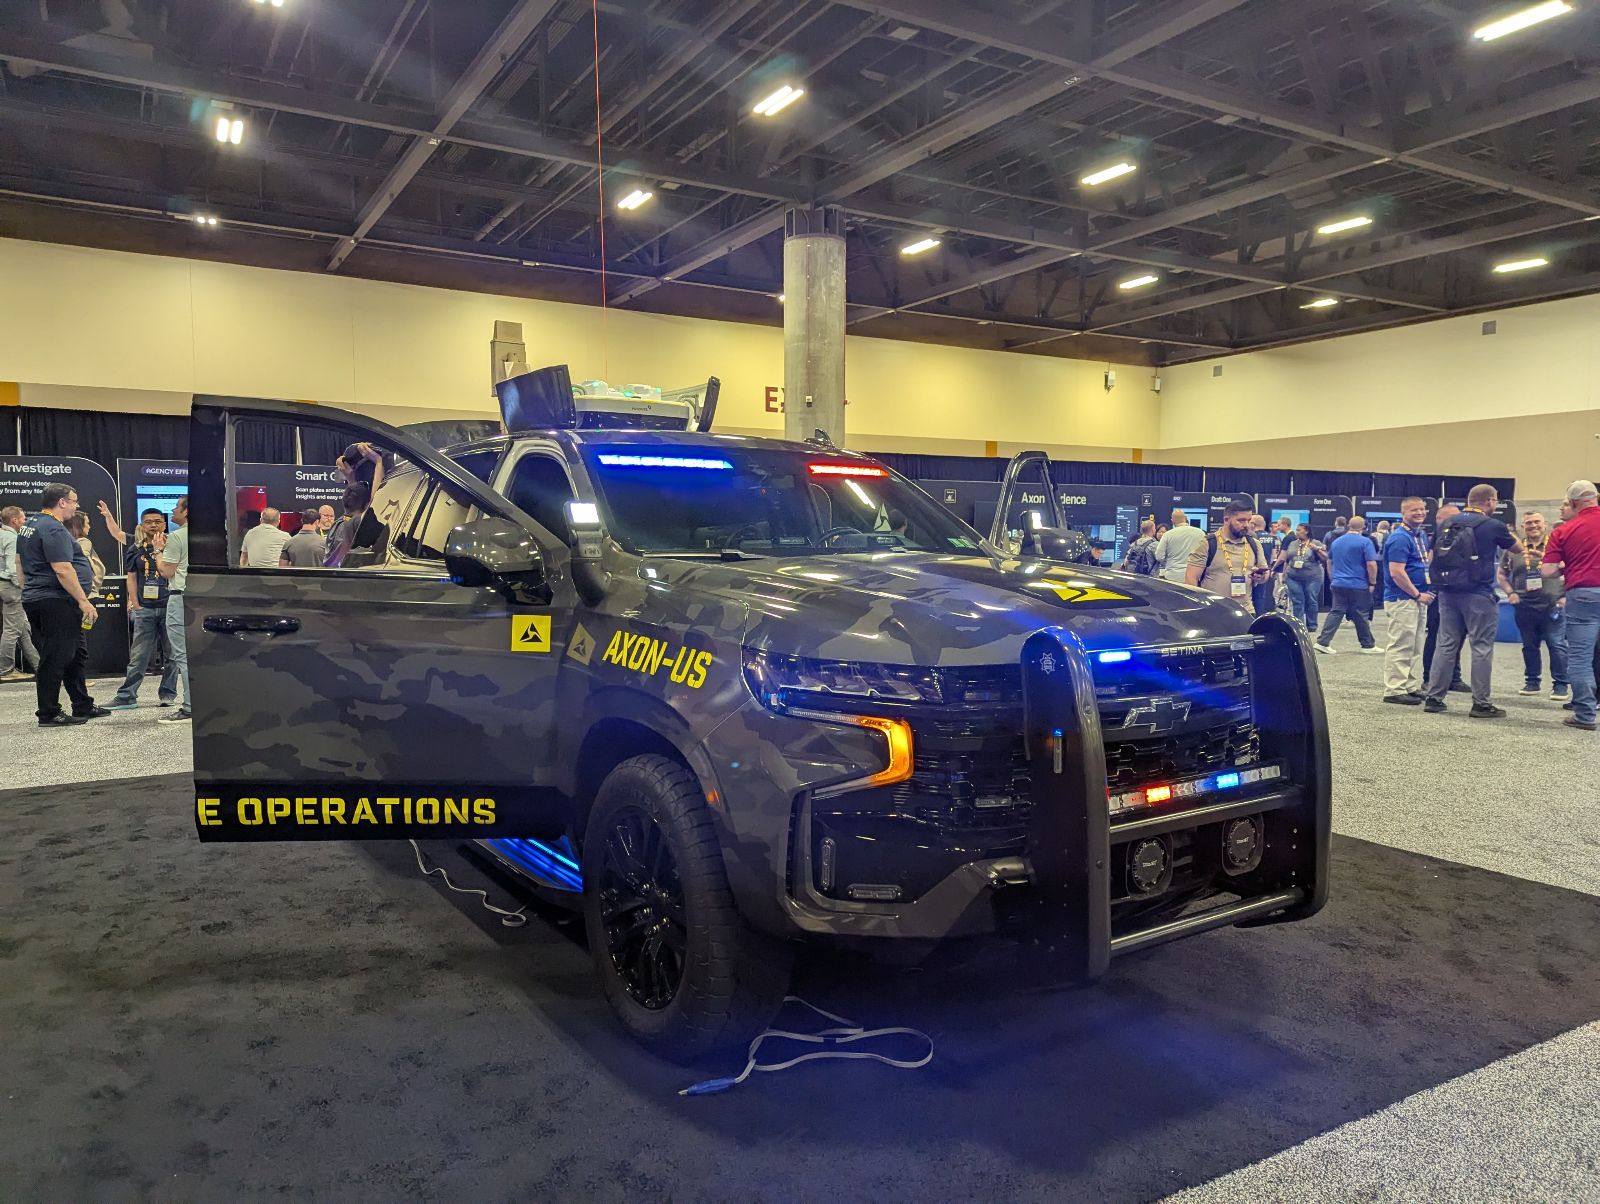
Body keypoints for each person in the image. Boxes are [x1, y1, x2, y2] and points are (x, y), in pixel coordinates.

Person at [1421, 483, 1520, 718]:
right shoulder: (1493, 525)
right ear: (1489, 501)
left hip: (1447, 591)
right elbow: (1516, 547)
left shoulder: (1447, 522)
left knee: (1445, 644)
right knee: (1481, 647)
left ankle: (1434, 698)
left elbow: (1434, 553)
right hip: (1478, 593)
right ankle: (1481, 703)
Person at [17, 483, 107, 726]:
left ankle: (82, 704)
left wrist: (28, 589)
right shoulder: (53, 528)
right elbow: (63, 569)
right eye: (74, 501)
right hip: (56, 601)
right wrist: (83, 600)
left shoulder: (30, 524)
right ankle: (48, 712)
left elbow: (19, 561)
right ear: (62, 502)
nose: (77, 505)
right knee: (56, 656)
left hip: (42, 598)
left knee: (76, 653)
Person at [1541, 480, 1600, 732]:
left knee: (1580, 658)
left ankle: (1585, 715)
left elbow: (1547, 571)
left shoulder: (1563, 530)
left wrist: (1568, 566)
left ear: (1574, 503)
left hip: (1583, 594)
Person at [109, 508, 179, 710]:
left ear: (164, 524)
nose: (153, 525)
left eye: (157, 521)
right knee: (139, 655)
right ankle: (126, 696)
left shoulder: (173, 545)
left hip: (169, 606)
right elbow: (131, 577)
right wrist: (135, 603)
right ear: (142, 525)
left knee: (172, 655)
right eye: (148, 522)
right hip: (145, 609)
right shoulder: (135, 548)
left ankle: (168, 694)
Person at [1497, 509, 1568, 701]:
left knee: (1557, 645)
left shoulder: (1557, 546)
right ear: (1523, 526)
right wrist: (1510, 593)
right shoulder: (1514, 549)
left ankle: (1560, 685)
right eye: (1529, 523)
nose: (1533, 526)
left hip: (1554, 604)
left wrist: (1565, 596)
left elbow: (1571, 569)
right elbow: (1502, 575)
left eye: (1537, 522)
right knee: (1529, 645)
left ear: (1545, 524)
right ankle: (1532, 682)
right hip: (1524, 605)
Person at [1379, 498, 1436, 705]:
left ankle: (1408, 685)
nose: (1419, 513)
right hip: (1403, 599)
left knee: (1415, 645)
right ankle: (1394, 689)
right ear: (1403, 513)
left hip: (1418, 598)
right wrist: (1416, 594)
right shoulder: (1399, 538)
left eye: (1422, 509)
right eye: (1414, 510)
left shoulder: (1420, 535)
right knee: (1401, 644)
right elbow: (1397, 572)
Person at [1315, 516, 1382, 655]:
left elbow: (1329, 561)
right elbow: (1371, 564)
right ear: (1363, 527)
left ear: (1348, 526)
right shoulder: (1365, 542)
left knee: (1336, 611)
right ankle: (1367, 645)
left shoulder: (1337, 542)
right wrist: (1372, 582)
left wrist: (1333, 578)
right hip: (1358, 584)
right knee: (1360, 613)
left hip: (1338, 582)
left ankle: (1322, 642)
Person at [1186, 499, 1270, 602]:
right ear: (1226, 520)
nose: (1246, 525)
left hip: (1246, 610)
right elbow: (1191, 579)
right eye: (1241, 520)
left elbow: (1265, 574)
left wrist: (1261, 577)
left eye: (1249, 520)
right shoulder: (1208, 543)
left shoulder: (1254, 544)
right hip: (1215, 610)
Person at [1422, 503, 1467, 694]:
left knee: (1457, 636)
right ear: (1439, 520)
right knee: (1436, 634)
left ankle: (1454, 677)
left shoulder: (1462, 536)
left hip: (1461, 591)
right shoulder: (1435, 540)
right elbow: (1430, 564)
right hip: (1439, 591)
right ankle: (1428, 677)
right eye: (1452, 518)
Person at [157, 496, 192, 723]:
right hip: (202, 598)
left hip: (180, 599)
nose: (172, 510)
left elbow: (167, 572)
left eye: (177, 507)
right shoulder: (218, 535)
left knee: (183, 655)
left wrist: (158, 551)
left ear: (187, 511)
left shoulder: (177, 537)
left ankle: (189, 707)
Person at [1, 505, 41, 682]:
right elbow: (12, 568)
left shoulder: (2, 535)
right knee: (11, 630)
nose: (25, 522)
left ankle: (39, 666)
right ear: (14, 520)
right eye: (23, 519)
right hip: (12, 587)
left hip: (6, 587)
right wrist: (24, 586)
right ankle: (6, 670)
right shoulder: (11, 538)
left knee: (23, 628)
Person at [1278, 523, 1330, 632]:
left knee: (1311, 600)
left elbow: (1326, 558)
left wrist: (1317, 550)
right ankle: (1299, 626)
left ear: (1306, 531)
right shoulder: (1292, 543)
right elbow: (1287, 560)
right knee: (1297, 601)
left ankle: (1312, 625)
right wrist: (1284, 574)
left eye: (1299, 530)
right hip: (1293, 577)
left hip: (1312, 577)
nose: (1296, 532)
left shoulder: (1316, 543)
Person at [1154, 508, 1205, 585]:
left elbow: (1159, 556)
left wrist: (1169, 563)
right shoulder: (1200, 533)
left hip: (1173, 576)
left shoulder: (1168, 535)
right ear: (1185, 518)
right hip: (1194, 576)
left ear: (1172, 521)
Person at [64, 511, 106, 597]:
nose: (89, 527)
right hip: (86, 594)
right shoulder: (84, 542)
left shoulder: (64, 543)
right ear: (79, 526)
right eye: (87, 523)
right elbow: (83, 565)